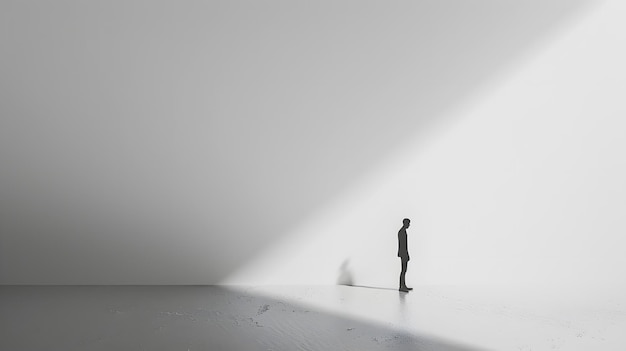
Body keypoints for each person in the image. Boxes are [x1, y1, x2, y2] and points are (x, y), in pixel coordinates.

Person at [398, 218, 413, 292]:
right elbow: (403, 245)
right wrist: (406, 254)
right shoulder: (402, 232)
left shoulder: (402, 231)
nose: (409, 225)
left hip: (403, 253)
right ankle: (401, 286)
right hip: (403, 253)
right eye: (408, 223)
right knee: (403, 270)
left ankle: (403, 285)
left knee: (404, 270)